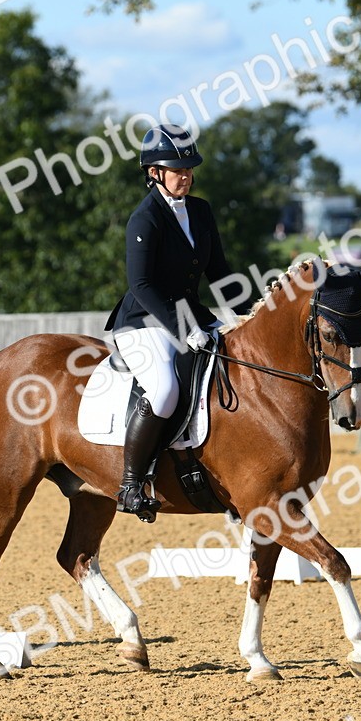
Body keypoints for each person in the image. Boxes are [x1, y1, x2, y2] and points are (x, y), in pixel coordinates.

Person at [103, 124, 245, 522]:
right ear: (155, 172)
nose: (186, 176)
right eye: (177, 170)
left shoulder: (200, 211)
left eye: (189, 169)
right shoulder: (144, 218)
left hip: (193, 316)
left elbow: (219, 273)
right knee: (164, 389)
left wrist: (250, 313)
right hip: (144, 321)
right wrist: (185, 330)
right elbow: (141, 285)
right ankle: (131, 484)